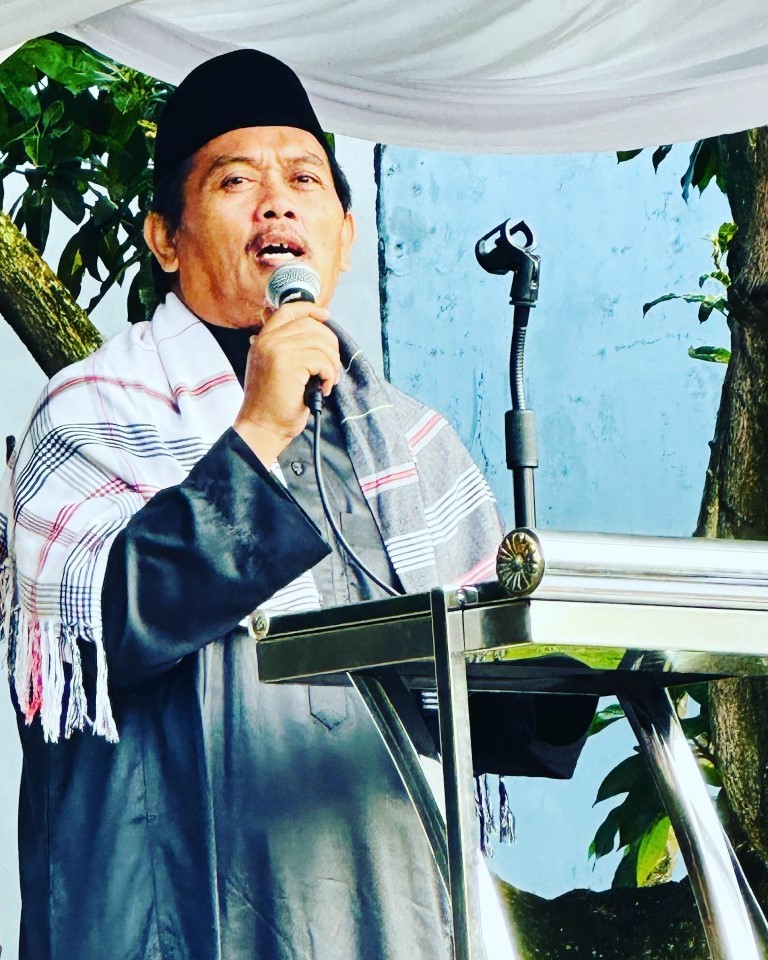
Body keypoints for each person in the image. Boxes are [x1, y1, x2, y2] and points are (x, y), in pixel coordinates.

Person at [0, 49, 507, 960]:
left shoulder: (416, 443)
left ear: (344, 232)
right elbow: (97, 630)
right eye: (236, 180)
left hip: (391, 918)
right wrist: (259, 430)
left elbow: (497, 702)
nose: (277, 202)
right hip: (171, 921)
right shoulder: (88, 410)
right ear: (165, 238)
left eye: (305, 179)